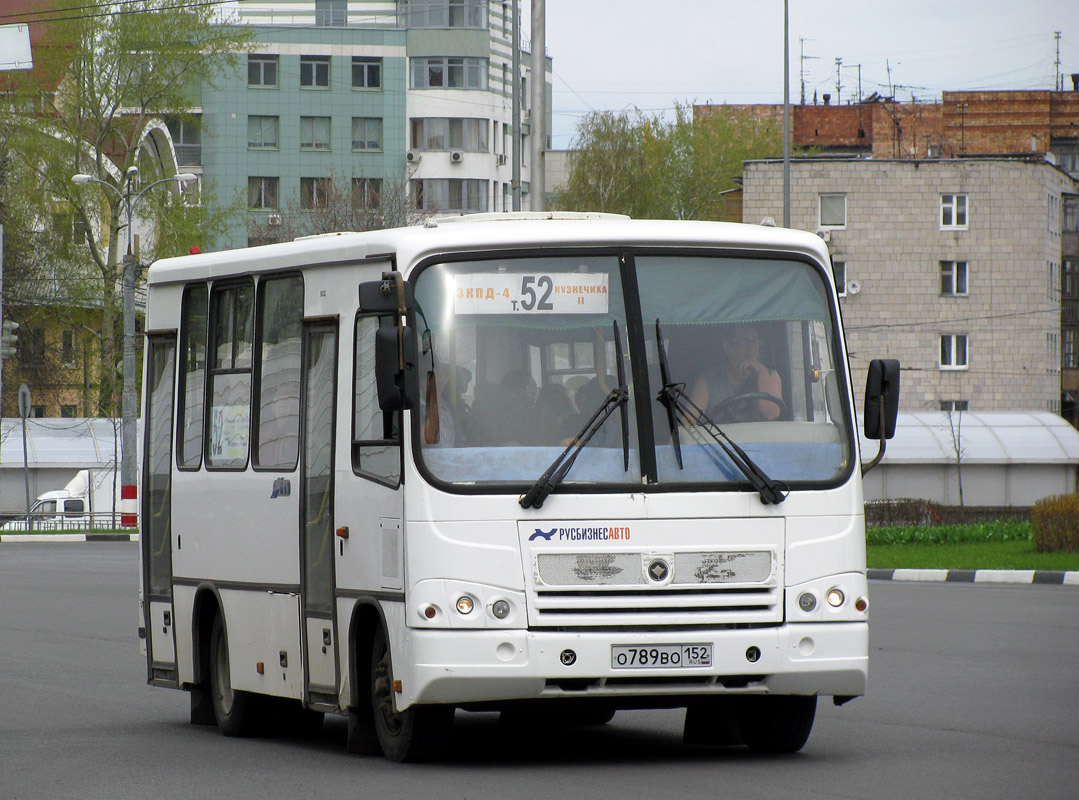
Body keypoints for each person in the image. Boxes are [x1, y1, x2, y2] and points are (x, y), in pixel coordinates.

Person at [690, 323, 783, 422]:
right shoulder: (708, 380)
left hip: (760, 437)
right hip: (721, 436)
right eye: (745, 342)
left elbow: (772, 415)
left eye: (755, 342)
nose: (752, 348)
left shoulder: (771, 376)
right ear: (727, 347)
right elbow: (688, 423)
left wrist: (762, 371)